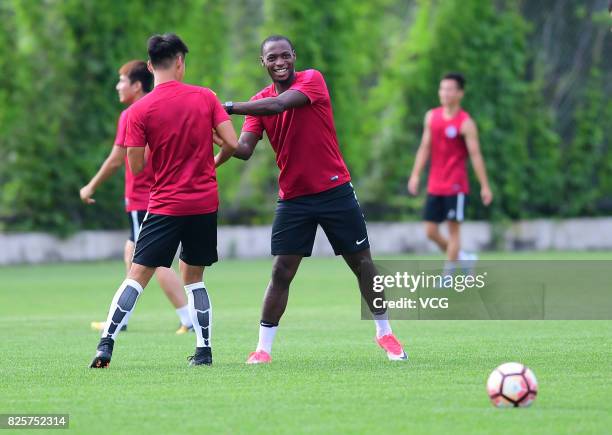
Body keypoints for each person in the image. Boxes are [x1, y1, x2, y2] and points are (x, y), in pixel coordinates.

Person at [217, 35, 407, 364]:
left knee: (363, 265)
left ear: (294, 56)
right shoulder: (257, 103)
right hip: (294, 200)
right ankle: (263, 349)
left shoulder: (311, 80)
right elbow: (244, 150)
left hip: (335, 191)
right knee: (281, 272)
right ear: (262, 63)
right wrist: (213, 126)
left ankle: (385, 333)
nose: (280, 62)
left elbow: (279, 105)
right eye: (272, 58)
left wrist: (227, 107)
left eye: (285, 56)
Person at [89, 33, 238, 368]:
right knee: (195, 278)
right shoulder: (205, 97)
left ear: (151, 65)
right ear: (180, 61)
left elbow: (137, 166)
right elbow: (232, 143)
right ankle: (204, 350)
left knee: (138, 273)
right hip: (203, 203)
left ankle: (106, 343)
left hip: (165, 204)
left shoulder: (139, 111)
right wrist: (210, 163)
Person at [80, 60, 193, 335]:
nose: (118, 86)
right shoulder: (162, 109)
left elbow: (117, 159)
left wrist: (90, 186)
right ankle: (121, 318)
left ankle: (187, 317)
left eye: (122, 80)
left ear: (137, 85)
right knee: (132, 254)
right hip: (159, 195)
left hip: (144, 199)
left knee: (152, 260)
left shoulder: (133, 113)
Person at [407, 73, 493, 271]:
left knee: (454, 231)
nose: (444, 93)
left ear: (460, 93)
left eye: (449, 89)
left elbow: (476, 155)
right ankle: (463, 258)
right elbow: (425, 147)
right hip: (435, 184)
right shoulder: (432, 116)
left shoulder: (465, 123)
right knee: (430, 231)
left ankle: (447, 275)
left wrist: (485, 186)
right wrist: (415, 174)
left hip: (456, 185)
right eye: (442, 88)